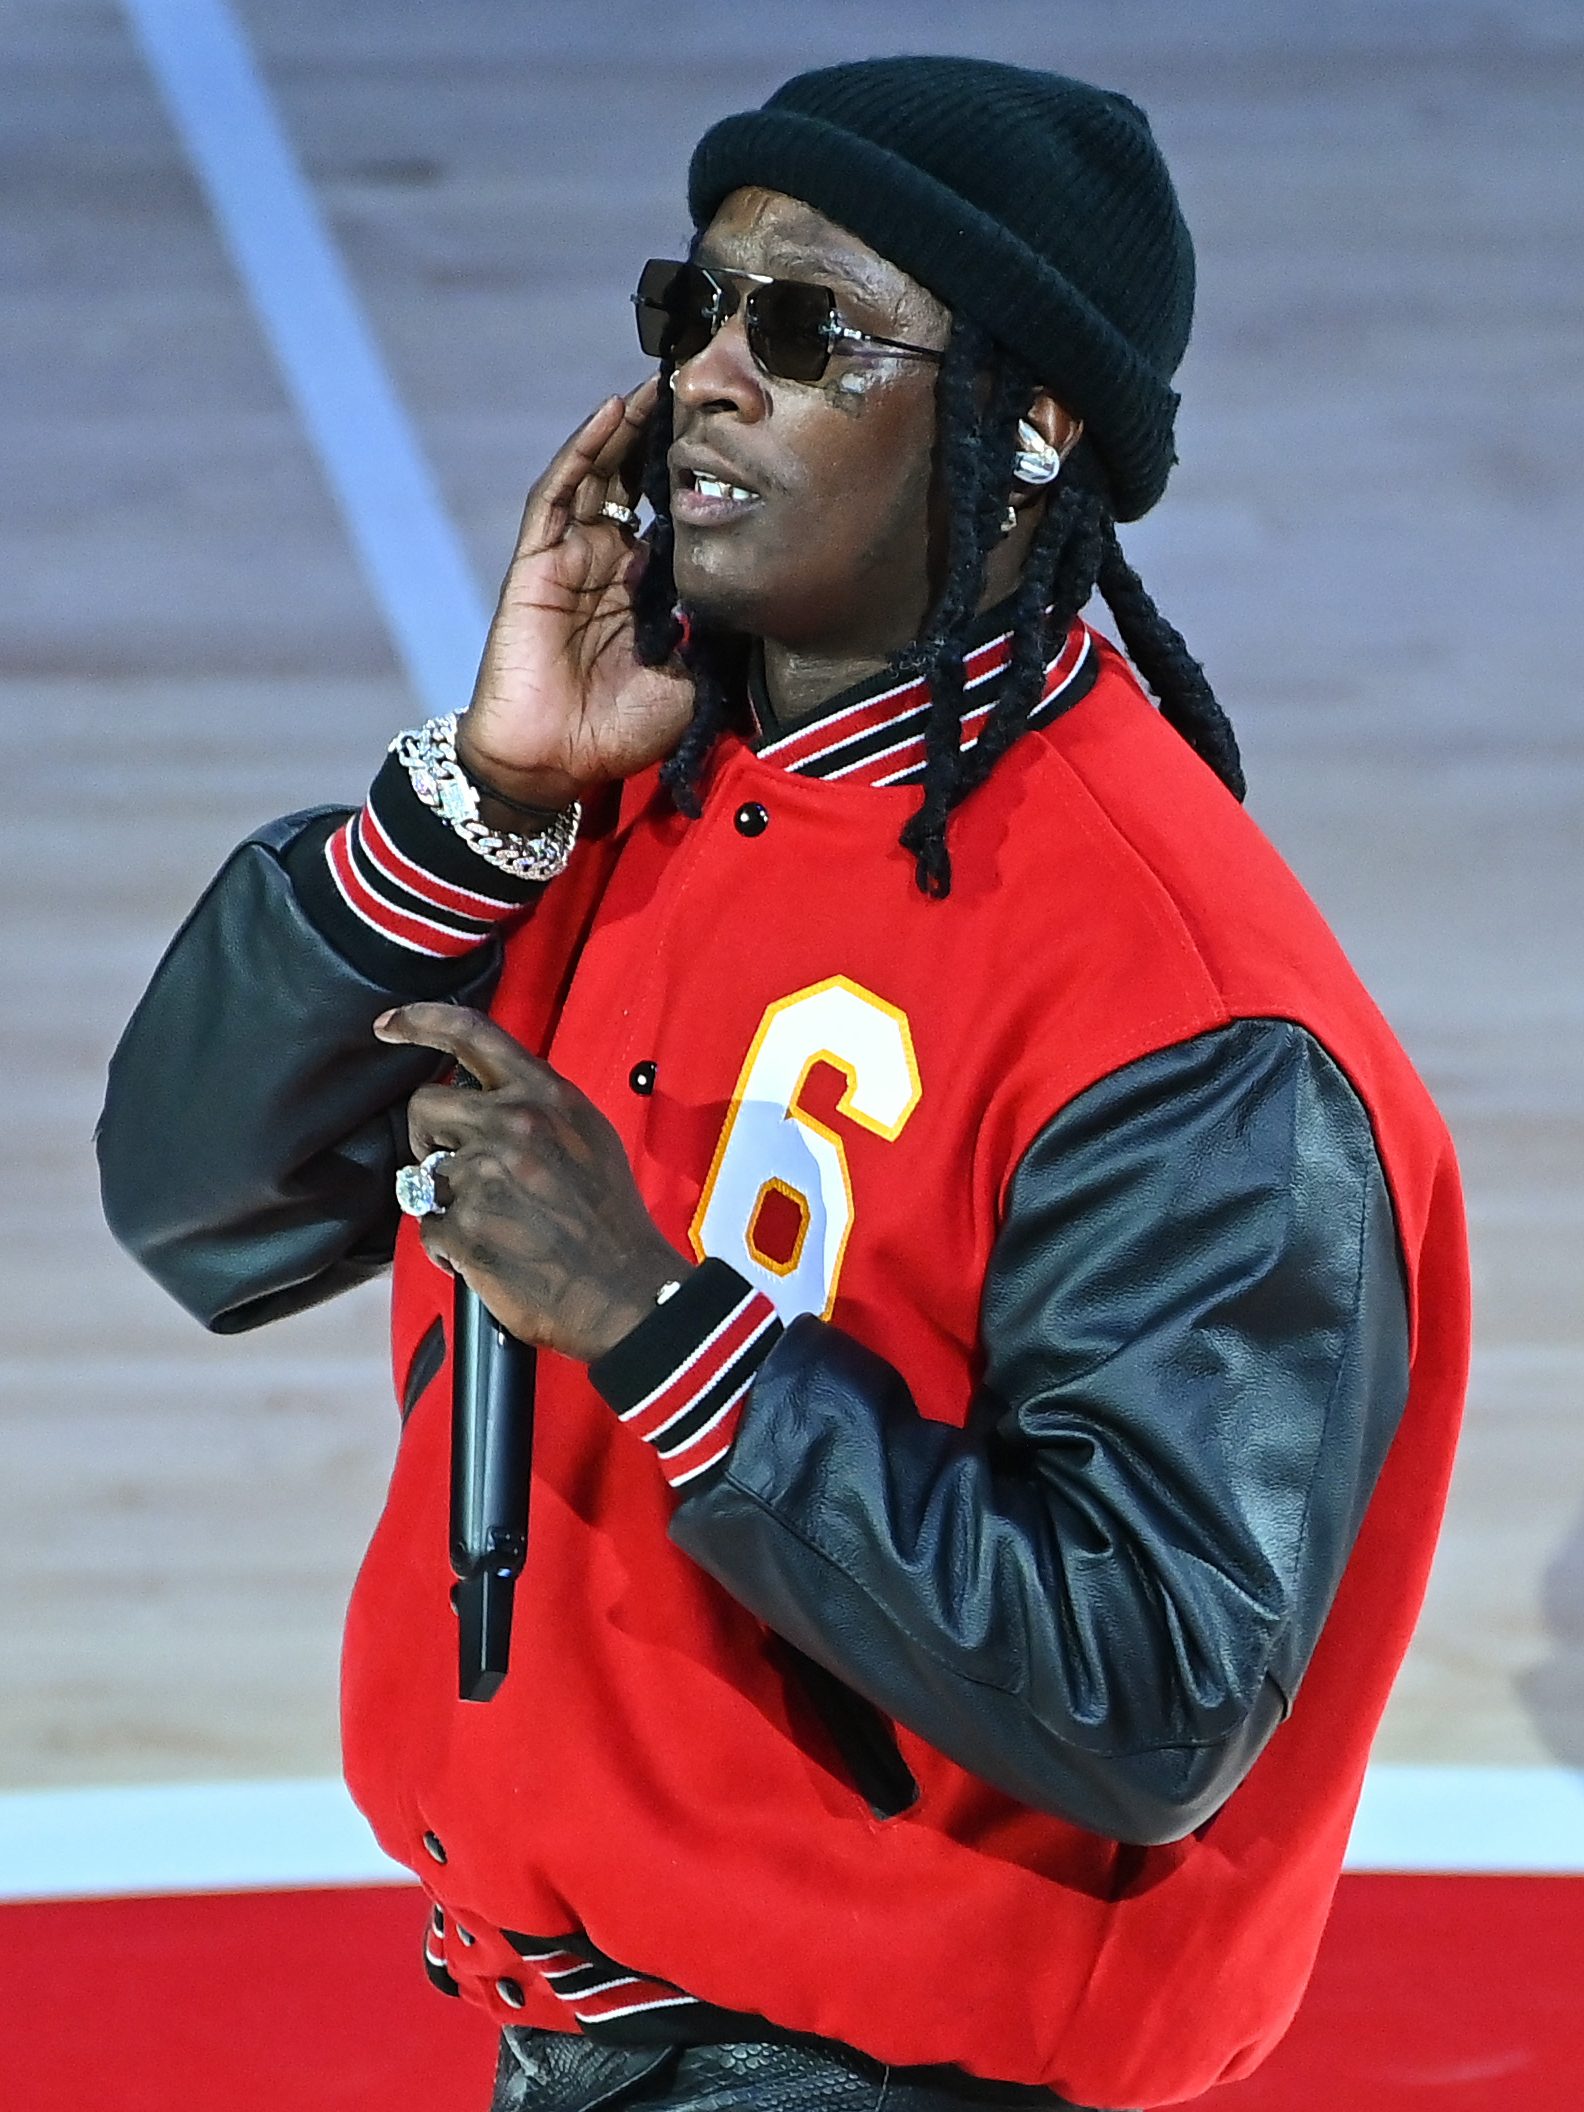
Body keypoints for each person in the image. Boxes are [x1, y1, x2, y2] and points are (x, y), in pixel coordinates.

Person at [97, 57, 1471, 2112]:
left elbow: (1152, 1691)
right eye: (692, 310)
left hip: (882, 2070)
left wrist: (659, 1331)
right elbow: (195, 1206)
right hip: (565, 2023)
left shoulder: (1186, 1017)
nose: (706, 386)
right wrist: (472, 814)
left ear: (1033, 427)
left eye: (806, 333)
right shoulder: (627, 789)